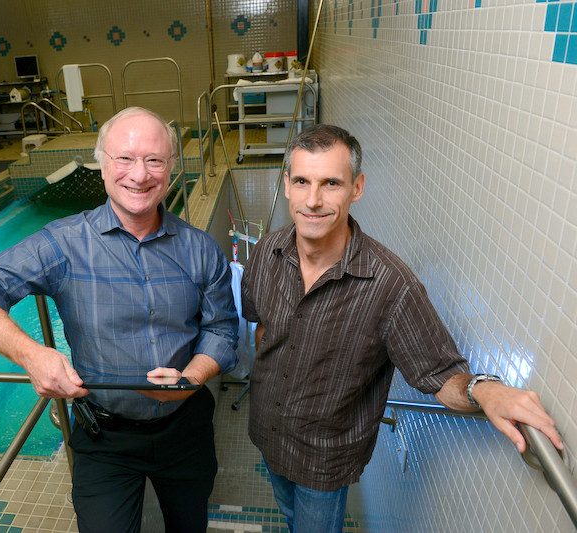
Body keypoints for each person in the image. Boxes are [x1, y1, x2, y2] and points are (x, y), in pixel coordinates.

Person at [240, 124, 563, 533]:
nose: (313, 200)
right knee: (288, 515)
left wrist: (485, 389)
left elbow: (440, 374)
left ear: (356, 188)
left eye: (331, 184)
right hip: (268, 433)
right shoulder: (267, 252)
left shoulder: (391, 285)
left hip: (323, 460)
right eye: (302, 181)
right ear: (286, 185)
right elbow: (263, 325)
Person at [0, 107, 238, 532]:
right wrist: (32, 354)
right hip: (105, 437)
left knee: (189, 526)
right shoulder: (64, 243)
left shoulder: (199, 249)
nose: (139, 175)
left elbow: (222, 330)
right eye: (124, 158)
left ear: (171, 168)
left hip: (185, 428)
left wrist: (189, 380)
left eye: (154, 160)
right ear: (101, 166)